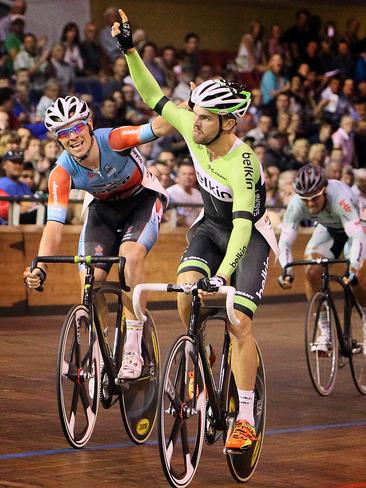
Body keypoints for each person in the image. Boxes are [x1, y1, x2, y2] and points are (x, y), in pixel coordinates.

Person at [111, 9, 279, 450]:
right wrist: (129, 50)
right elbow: (153, 95)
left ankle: (244, 417)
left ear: (228, 122)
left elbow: (242, 229)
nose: (193, 122)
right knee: (187, 295)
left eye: (205, 118)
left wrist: (224, 275)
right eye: (195, 115)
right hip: (210, 227)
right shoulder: (193, 124)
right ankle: (197, 353)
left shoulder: (244, 165)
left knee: (239, 320)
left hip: (249, 238)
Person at [23, 95, 175, 380]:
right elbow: (54, 225)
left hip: (141, 202)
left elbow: (159, 128)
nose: (72, 136)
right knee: (89, 282)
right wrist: (40, 266)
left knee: (129, 257)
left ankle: (132, 345)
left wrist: (185, 107)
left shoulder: (114, 140)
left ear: (89, 124)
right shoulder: (62, 171)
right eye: (63, 133)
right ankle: (101, 348)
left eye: (77, 127)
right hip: (103, 211)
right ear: (58, 139)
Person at [278, 165, 366, 352]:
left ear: (324, 190)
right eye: (305, 200)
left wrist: (354, 266)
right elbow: (284, 242)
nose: (310, 205)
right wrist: (287, 269)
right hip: (328, 229)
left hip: (355, 228)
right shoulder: (296, 204)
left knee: (357, 279)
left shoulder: (340, 199)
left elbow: (357, 237)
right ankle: (325, 334)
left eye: (315, 198)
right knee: (311, 271)